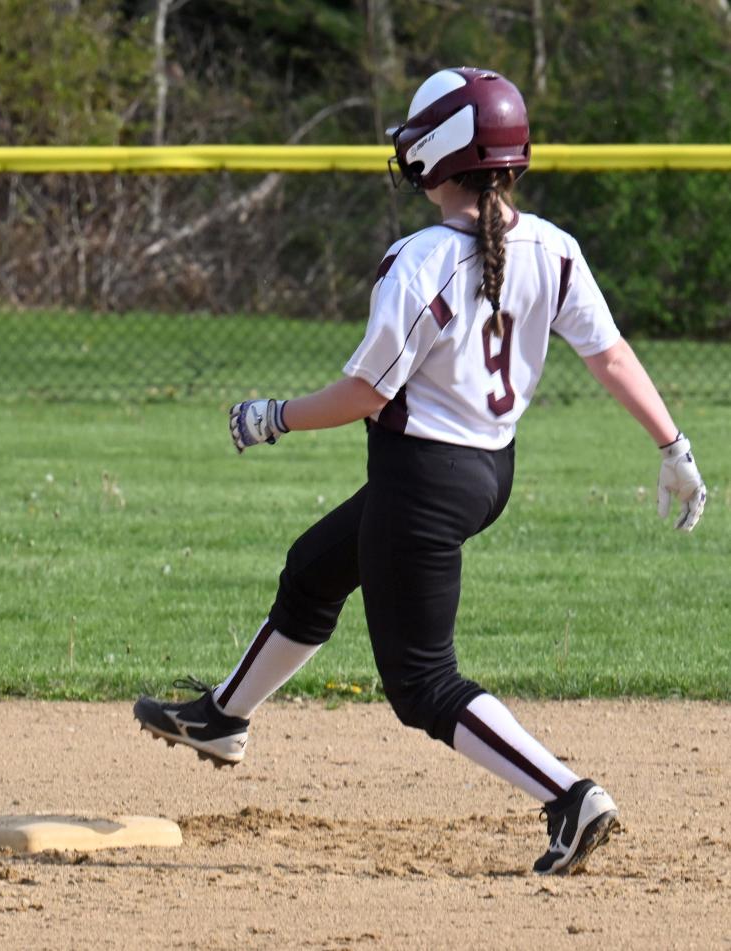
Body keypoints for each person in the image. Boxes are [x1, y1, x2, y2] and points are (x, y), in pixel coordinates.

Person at [133, 67, 706, 876]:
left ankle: (569, 794)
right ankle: (224, 715)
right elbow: (609, 355)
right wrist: (673, 446)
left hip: (425, 483)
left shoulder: (421, 257)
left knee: (423, 683)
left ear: (439, 151)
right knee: (314, 570)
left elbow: (368, 392)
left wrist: (274, 415)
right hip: (484, 474)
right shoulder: (555, 245)